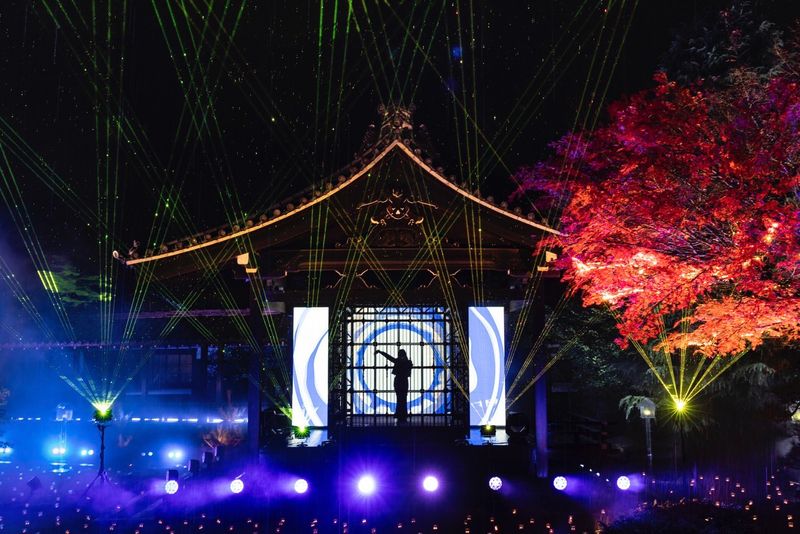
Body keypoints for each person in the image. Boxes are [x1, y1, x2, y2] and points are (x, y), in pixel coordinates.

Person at [376, 348, 413, 423]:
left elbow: (389, 357)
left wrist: (380, 352)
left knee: (399, 397)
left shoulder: (397, 361)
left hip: (398, 380)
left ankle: (399, 413)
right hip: (404, 381)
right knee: (403, 397)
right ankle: (403, 414)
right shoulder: (408, 362)